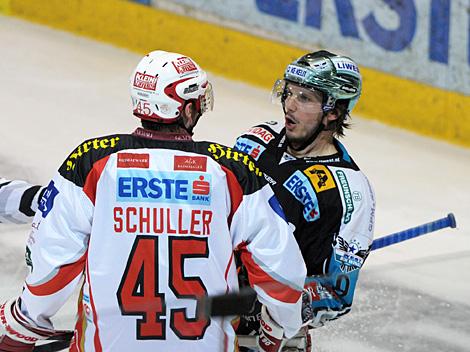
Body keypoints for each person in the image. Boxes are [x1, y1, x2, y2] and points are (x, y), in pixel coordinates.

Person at [0, 51, 306, 352]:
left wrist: (22, 326)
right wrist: (278, 329)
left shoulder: (91, 161)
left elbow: (53, 262)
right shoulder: (233, 171)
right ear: (186, 110)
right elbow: (283, 273)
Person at [234, 50, 376, 350]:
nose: (290, 104)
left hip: (272, 336)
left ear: (333, 111)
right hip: (212, 313)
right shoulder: (257, 138)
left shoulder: (351, 191)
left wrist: (284, 309)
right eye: (289, 92)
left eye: (305, 98)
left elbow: (337, 292)